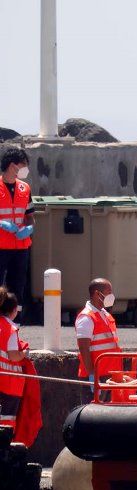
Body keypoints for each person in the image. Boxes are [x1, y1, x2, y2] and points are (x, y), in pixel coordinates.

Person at [0, 148, 34, 321]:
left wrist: (28, 229)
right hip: (1, 246)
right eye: (24, 166)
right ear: (13, 166)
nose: (26, 169)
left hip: (21, 247)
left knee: (18, 288)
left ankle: (15, 326)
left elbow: (30, 217)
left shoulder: (25, 188)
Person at [75, 278, 120, 384]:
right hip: (97, 376)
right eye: (108, 293)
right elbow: (83, 349)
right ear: (97, 294)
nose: (111, 296)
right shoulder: (86, 317)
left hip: (110, 375)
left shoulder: (106, 315)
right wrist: (92, 375)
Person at [0, 287, 25, 423]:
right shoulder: (10, 329)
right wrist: (24, 353)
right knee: (6, 422)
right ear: (14, 310)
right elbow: (14, 356)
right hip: (8, 384)